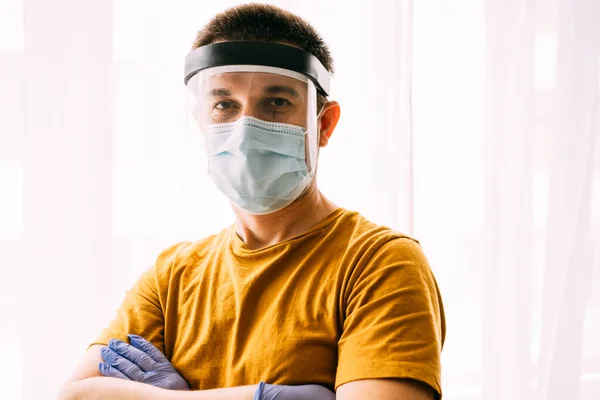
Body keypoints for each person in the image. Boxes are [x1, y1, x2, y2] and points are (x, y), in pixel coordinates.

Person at [58, 3, 445, 400]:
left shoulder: (378, 263)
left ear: (323, 124)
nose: (245, 127)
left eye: (276, 102)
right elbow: (76, 395)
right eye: (224, 104)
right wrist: (260, 397)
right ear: (203, 123)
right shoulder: (172, 277)